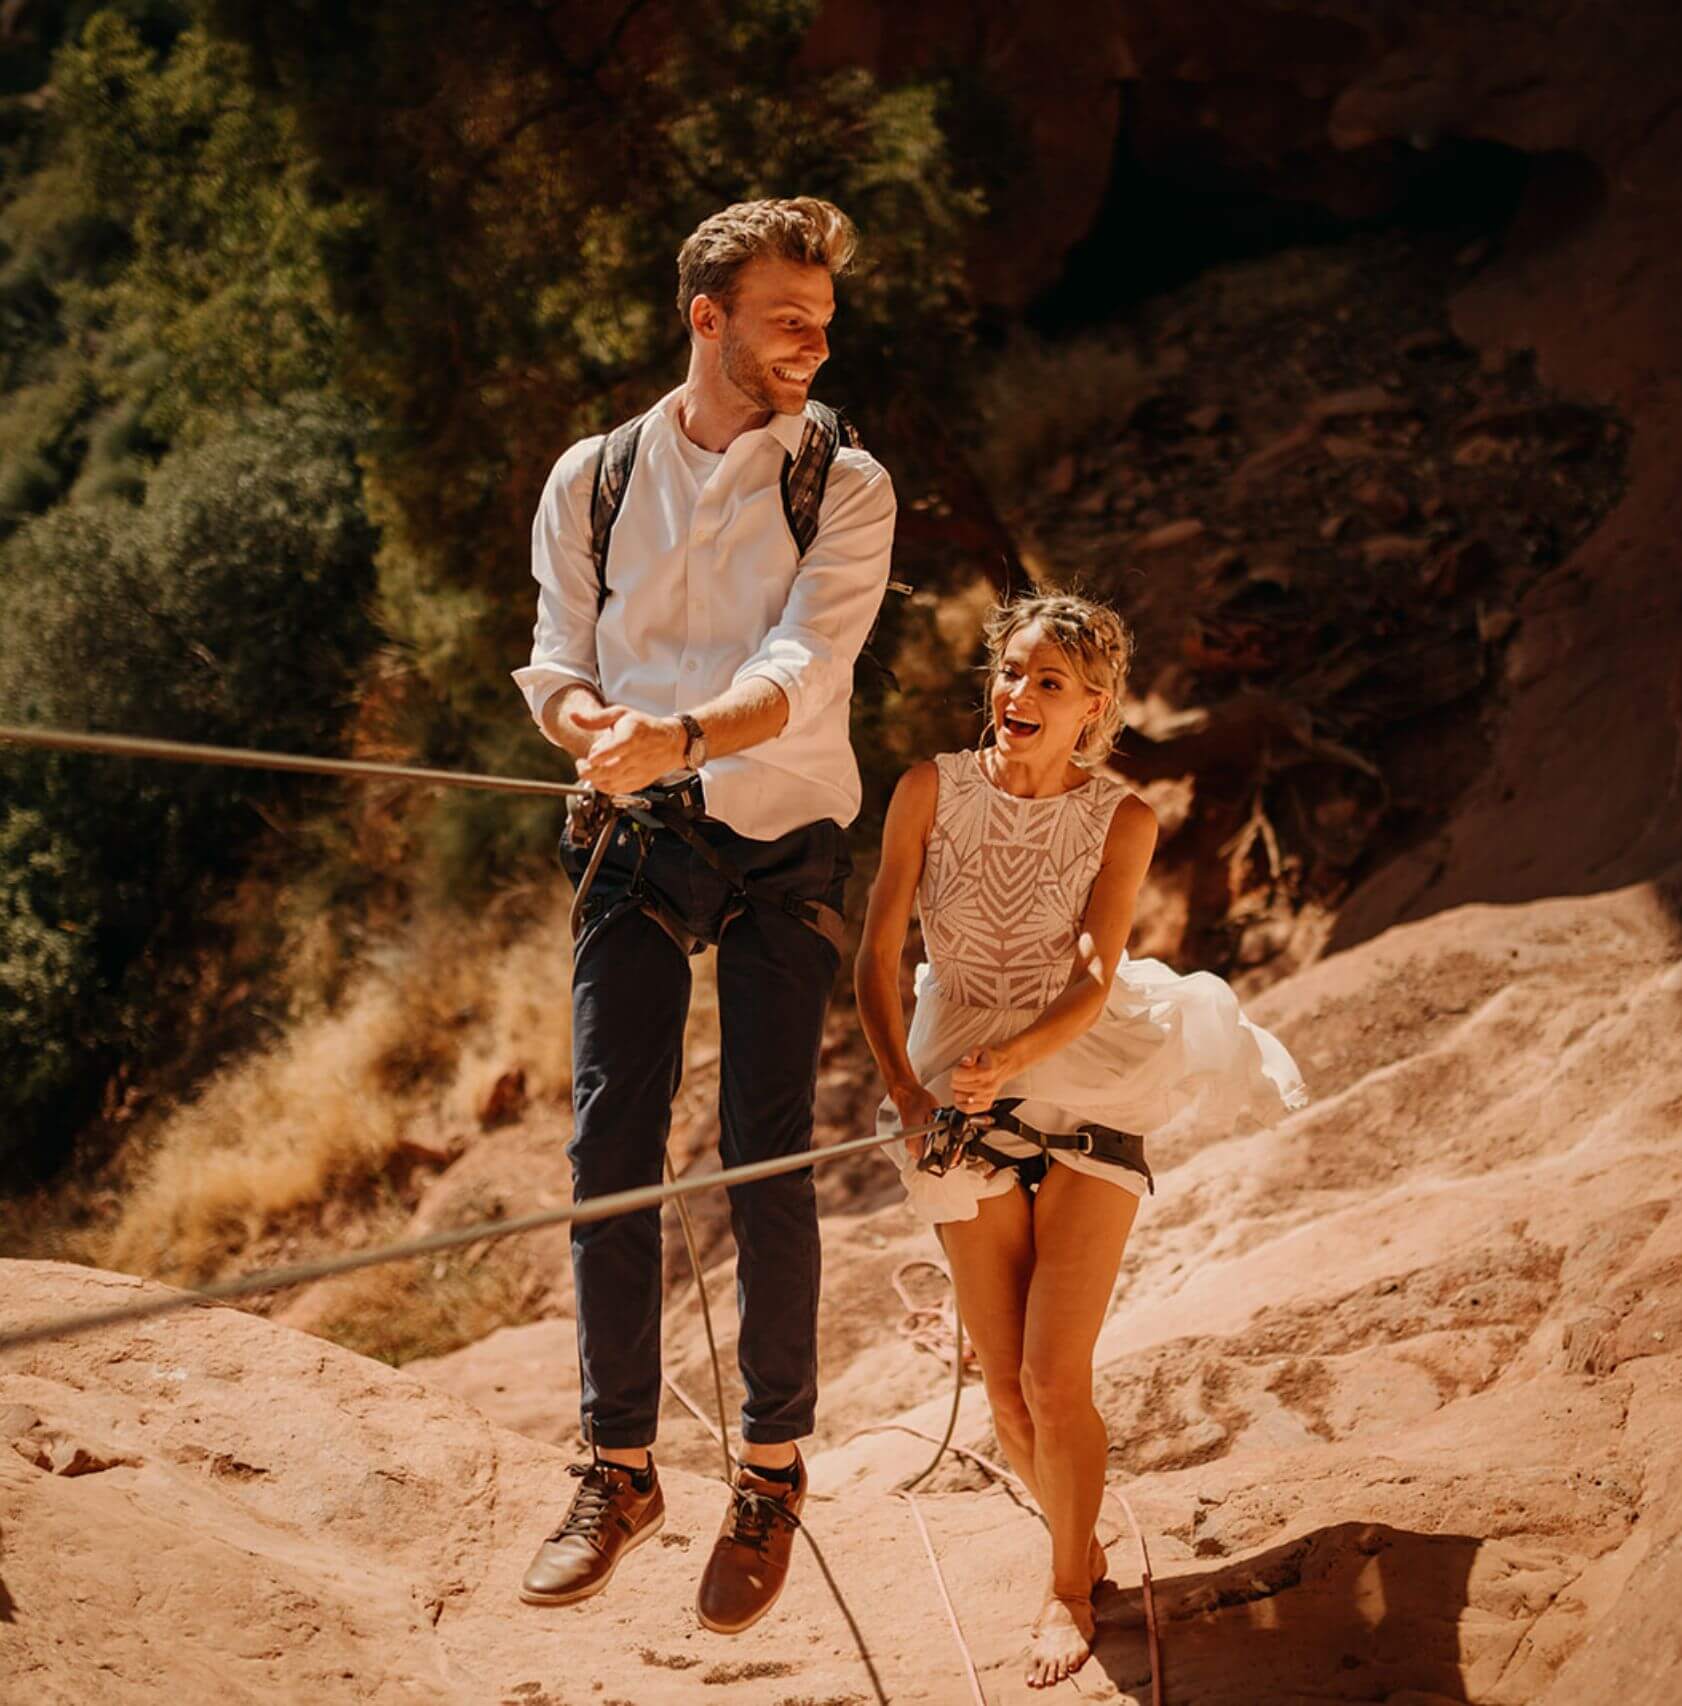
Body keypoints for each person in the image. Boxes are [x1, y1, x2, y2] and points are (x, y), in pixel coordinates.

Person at [511, 197, 896, 1632]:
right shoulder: (593, 477)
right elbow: (552, 654)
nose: (813, 337)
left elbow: (807, 660)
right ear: (706, 318)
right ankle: (619, 1468)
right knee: (611, 1137)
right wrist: (585, 719)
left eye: (823, 316)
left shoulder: (844, 483)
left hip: (785, 835)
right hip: (631, 829)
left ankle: (770, 1468)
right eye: (787, 313)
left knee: (764, 1152)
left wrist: (681, 730)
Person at [854, 592, 1306, 1688]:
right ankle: (1078, 1538)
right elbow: (873, 955)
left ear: (1089, 705)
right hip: (947, 1079)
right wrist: (906, 1088)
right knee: (1003, 1390)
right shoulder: (928, 788)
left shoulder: (1122, 817)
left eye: (1046, 682)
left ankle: (1065, 1588)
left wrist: (1016, 1059)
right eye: (1010, 671)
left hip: (1082, 1073)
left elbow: (1098, 971)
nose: (1017, 694)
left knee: (1055, 1379)